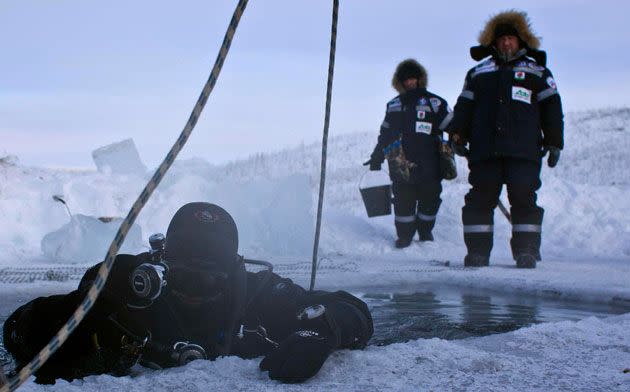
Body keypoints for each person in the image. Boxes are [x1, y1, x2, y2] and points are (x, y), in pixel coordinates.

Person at [3, 202, 373, 384]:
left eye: (209, 278)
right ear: (161, 262)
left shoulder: (255, 293)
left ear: (232, 271)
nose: (194, 289)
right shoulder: (131, 288)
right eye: (184, 275)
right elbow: (17, 330)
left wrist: (322, 329)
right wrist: (88, 307)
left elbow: (352, 310)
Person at [448, 10, 564, 268]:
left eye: (511, 38)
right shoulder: (478, 73)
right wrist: (457, 134)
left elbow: (552, 109)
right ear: (493, 42)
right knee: (479, 200)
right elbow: (464, 107)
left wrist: (555, 141)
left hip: (523, 151)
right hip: (484, 150)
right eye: (501, 39)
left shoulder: (538, 72)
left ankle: (527, 251)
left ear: (521, 41)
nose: (506, 43)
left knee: (524, 198)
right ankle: (477, 253)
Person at [365, 59, 452, 248]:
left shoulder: (435, 103)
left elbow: (453, 127)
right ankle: (404, 236)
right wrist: (377, 156)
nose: (411, 83)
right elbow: (385, 135)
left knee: (430, 197)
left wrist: (461, 142)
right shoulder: (394, 105)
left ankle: (425, 231)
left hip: (431, 162)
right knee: (404, 200)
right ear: (401, 83)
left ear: (420, 80)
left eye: (414, 79)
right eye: (407, 80)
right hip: (400, 163)